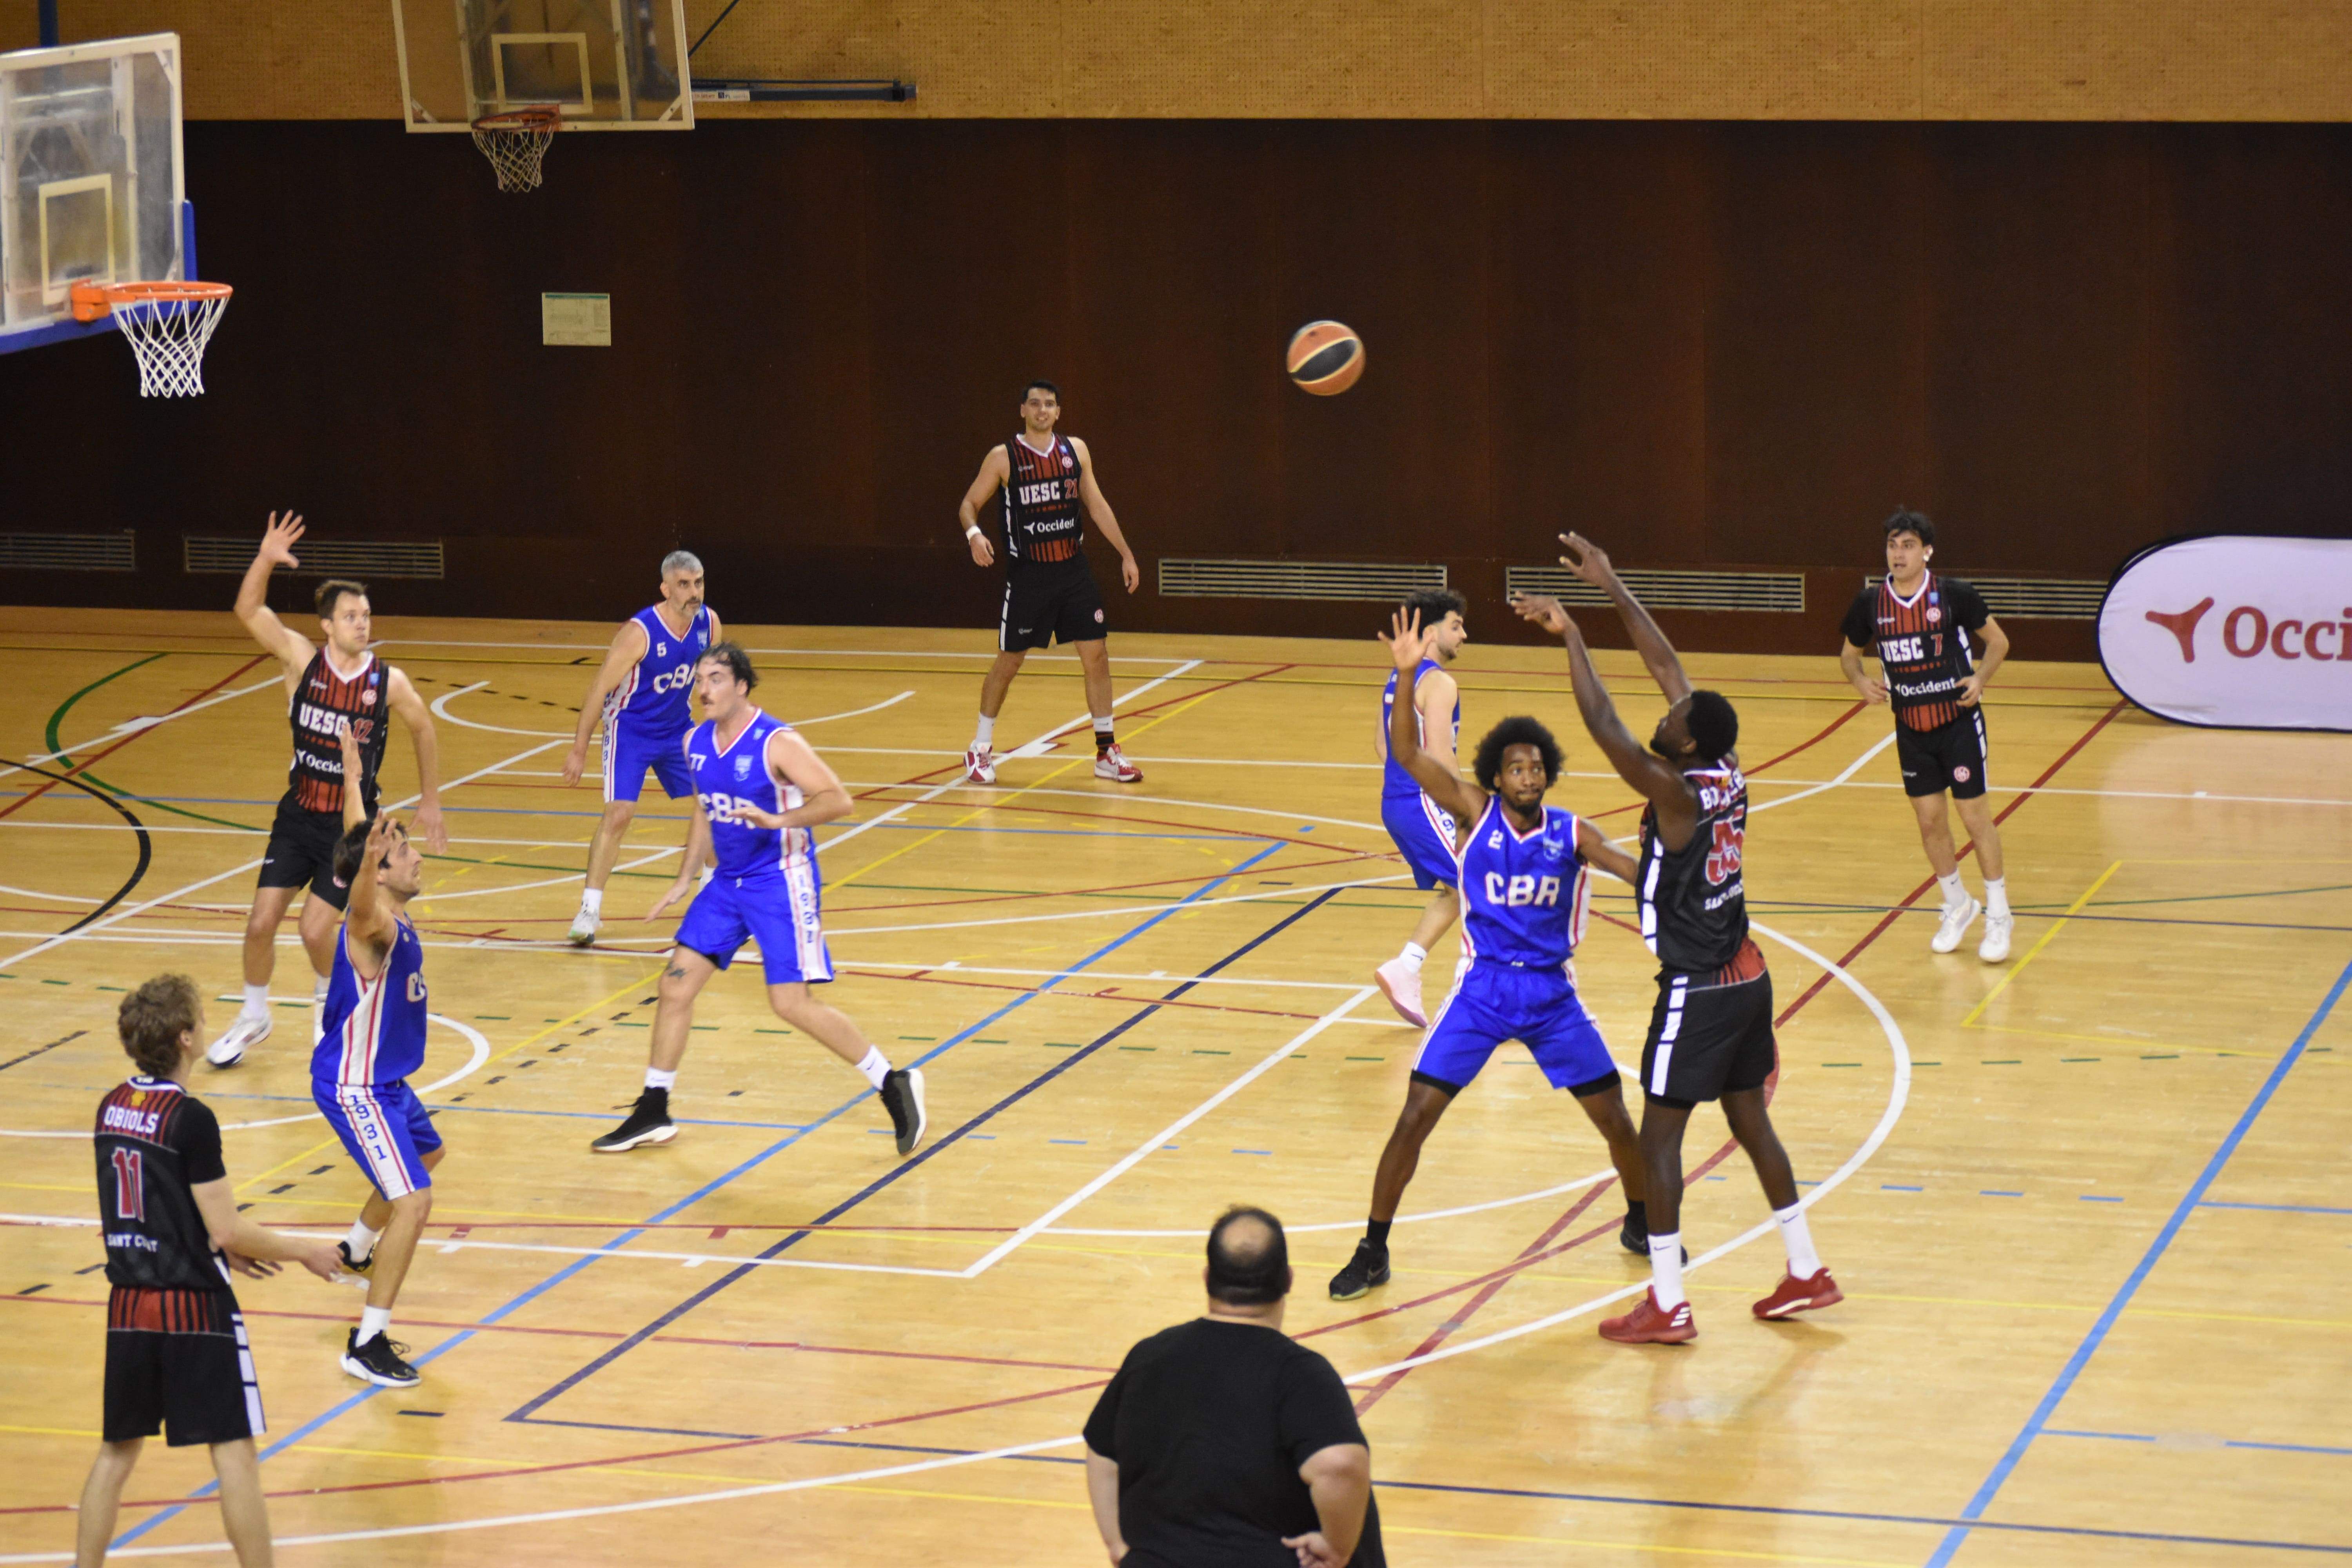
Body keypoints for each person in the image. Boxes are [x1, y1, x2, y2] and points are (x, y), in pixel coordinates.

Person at [1513, 532, 1841, 1345]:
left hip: (1697, 984)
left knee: (1659, 1138)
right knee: (1750, 1121)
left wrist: (1576, 636)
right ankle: (1805, 1269)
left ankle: (1669, 1299)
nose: (1665, 709)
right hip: (1749, 975)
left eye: (1674, 718)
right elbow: (1668, 666)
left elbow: (1605, 727)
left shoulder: (1675, 790)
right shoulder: (1723, 763)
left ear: (1687, 741)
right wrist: (1612, 580)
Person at [1327, 607, 1651, 1303]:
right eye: (1515, 767)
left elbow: (1632, 870)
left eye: (1536, 766)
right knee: (1414, 1115)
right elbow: (1411, 758)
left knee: (1616, 1118)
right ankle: (1374, 1247)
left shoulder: (1574, 833)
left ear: (1548, 774)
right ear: (1497, 778)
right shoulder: (1475, 814)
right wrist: (1408, 673)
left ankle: (1641, 1219)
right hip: (1481, 992)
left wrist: (1676, 869)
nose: (1527, 775)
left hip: (1552, 998)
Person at [592, 643, 927, 1156]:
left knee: (789, 1002)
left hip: (781, 881)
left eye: (717, 679)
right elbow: (705, 810)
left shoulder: (778, 742)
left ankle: (892, 1083)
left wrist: (779, 821)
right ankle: (654, 1107)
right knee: (675, 985)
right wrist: (685, 876)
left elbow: (839, 799)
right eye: (700, 679)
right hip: (728, 885)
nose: (704, 688)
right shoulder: (695, 741)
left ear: (742, 686)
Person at [79, 973, 343, 1567]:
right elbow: (227, 1229)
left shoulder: (111, 1107)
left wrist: (207, 1239)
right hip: (191, 1305)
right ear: (185, 1038)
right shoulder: (190, 1118)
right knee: (233, 1452)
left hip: (127, 1302)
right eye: (200, 1020)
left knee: (116, 1453)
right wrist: (303, 1251)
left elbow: (153, 1202)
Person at [208, 512, 447, 1067]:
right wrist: (266, 557)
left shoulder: (387, 682)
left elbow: (424, 727)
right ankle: (254, 1014)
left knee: (316, 930)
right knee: (260, 923)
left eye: (366, 615)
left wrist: (432, 798)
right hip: (298, 815)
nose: (362, 624)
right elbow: (247, 610)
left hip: (350, 829)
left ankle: (328, 1010)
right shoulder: (302, 660)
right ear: (327, 625)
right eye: (351, 616)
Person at [1086, 1208, 1385, 1568]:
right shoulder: (1301, 1375)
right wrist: (1336, 1549)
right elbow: (1340, 1465)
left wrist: (1118, 1546)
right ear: (1288, 1280)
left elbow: (1102, 1452)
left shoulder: (1148, 1357)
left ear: (1208, 1277)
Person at [1838, 510, 2014, 962]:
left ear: (1927, 551)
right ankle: (1958, 904)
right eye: (1893, 545)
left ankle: (1999, 912)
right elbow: (1848, 657)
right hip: (1911, 729)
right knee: (1930, 822)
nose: (1899, 554)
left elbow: (1998, 642)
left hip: (1957, 724)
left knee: (1975, 818)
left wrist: (1981, 680)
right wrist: (1861, 683)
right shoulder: (1870, 604)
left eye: (1909, 545)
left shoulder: (1954, 595)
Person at [310, 811, 448, 1388]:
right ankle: (365, 1343)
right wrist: (370, 856)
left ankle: (358, 1248)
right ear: (379, 873)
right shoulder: (373, 926)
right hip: (357, 1087)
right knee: (415, 1203)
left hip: (387, 1082)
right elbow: (360, 898)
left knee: (429, 1155)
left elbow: (358, 834)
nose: (415, 856)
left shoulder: (392, 909)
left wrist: (351, 773)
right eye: (402, 852)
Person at [955, 379, 1145, 786]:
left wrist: (1126, 554)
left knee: (1097, 655)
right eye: (1036, 404)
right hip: (1030, 577)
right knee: (1011, 661)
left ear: (1058, 412)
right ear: (1023, 409)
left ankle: (1106, 750)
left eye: (1051, 404)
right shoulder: (1003, 457)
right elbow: (969, 504)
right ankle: (980, 747)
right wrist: (975, 535)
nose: (1043, 410)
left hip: (1074, 571)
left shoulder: (1075, 451)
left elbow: (1096, 505)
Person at [559, 550, 721, 946]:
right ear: (666, 589)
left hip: (677, 728)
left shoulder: (710, 623)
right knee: (619, 814)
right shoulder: (640, 632)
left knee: (714, 801)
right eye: (684, 584)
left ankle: (715, 898)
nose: (693, 591)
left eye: (698, 582)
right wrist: (580, 747)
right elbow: (600, 688)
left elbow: (716, 676)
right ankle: (589, 910)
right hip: (630, 730)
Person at [1370, 587, 1469, 1027]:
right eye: (1456, 626)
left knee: (1458, 890)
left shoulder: (1399, 677)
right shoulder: (1440, 683)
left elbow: (1381, 746)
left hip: (1397, 803)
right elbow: (1441, 759)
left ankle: (1405, 967)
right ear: (1430, 633)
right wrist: (1471, 809)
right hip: (1425, 803)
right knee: (1482, 886)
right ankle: (1480, 1002)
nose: (1464, 635)